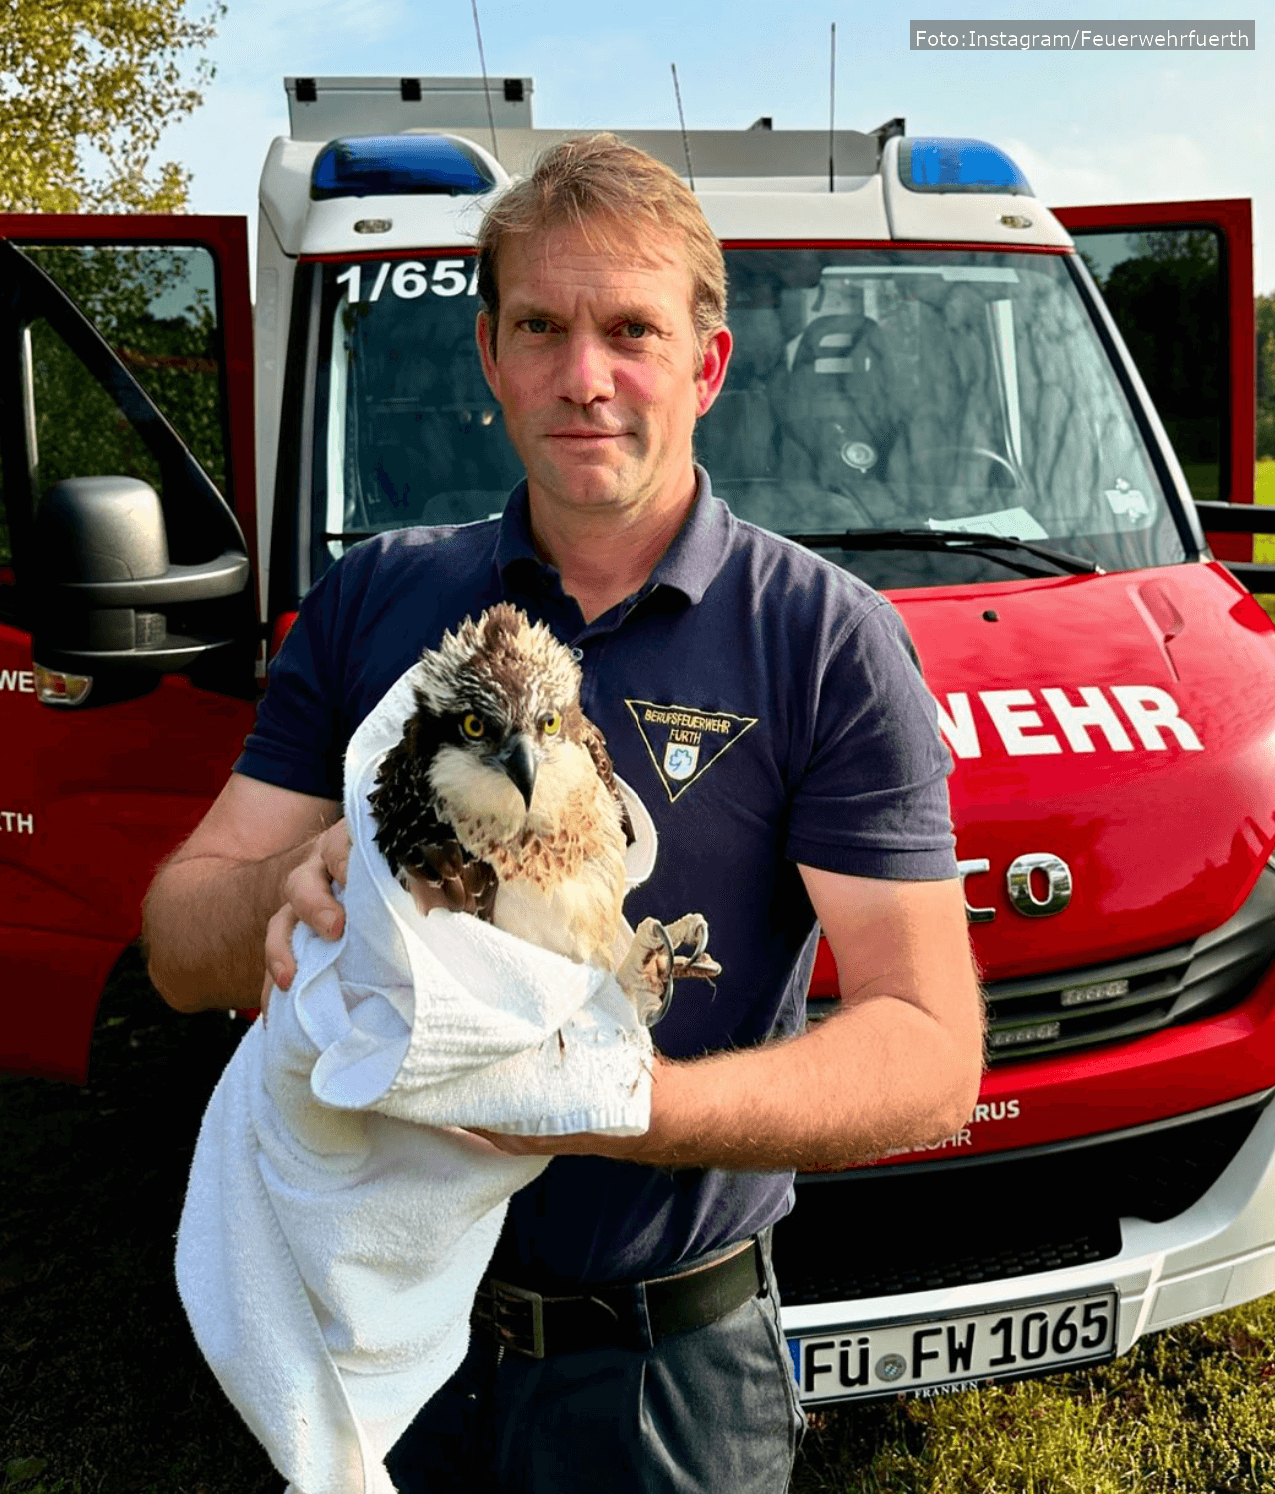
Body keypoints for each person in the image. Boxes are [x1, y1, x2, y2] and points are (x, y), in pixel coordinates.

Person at [143, 133, 983, 1493]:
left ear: (705, 365)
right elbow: (180, 943)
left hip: (670, 1371)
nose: (583, 375)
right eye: (540, 325)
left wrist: (613, 1106)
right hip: (383, 1317)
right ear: (489, 355)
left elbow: (932, 1053)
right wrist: (283, 887)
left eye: (629, 330)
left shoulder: (823, 640)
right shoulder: (374, 602)